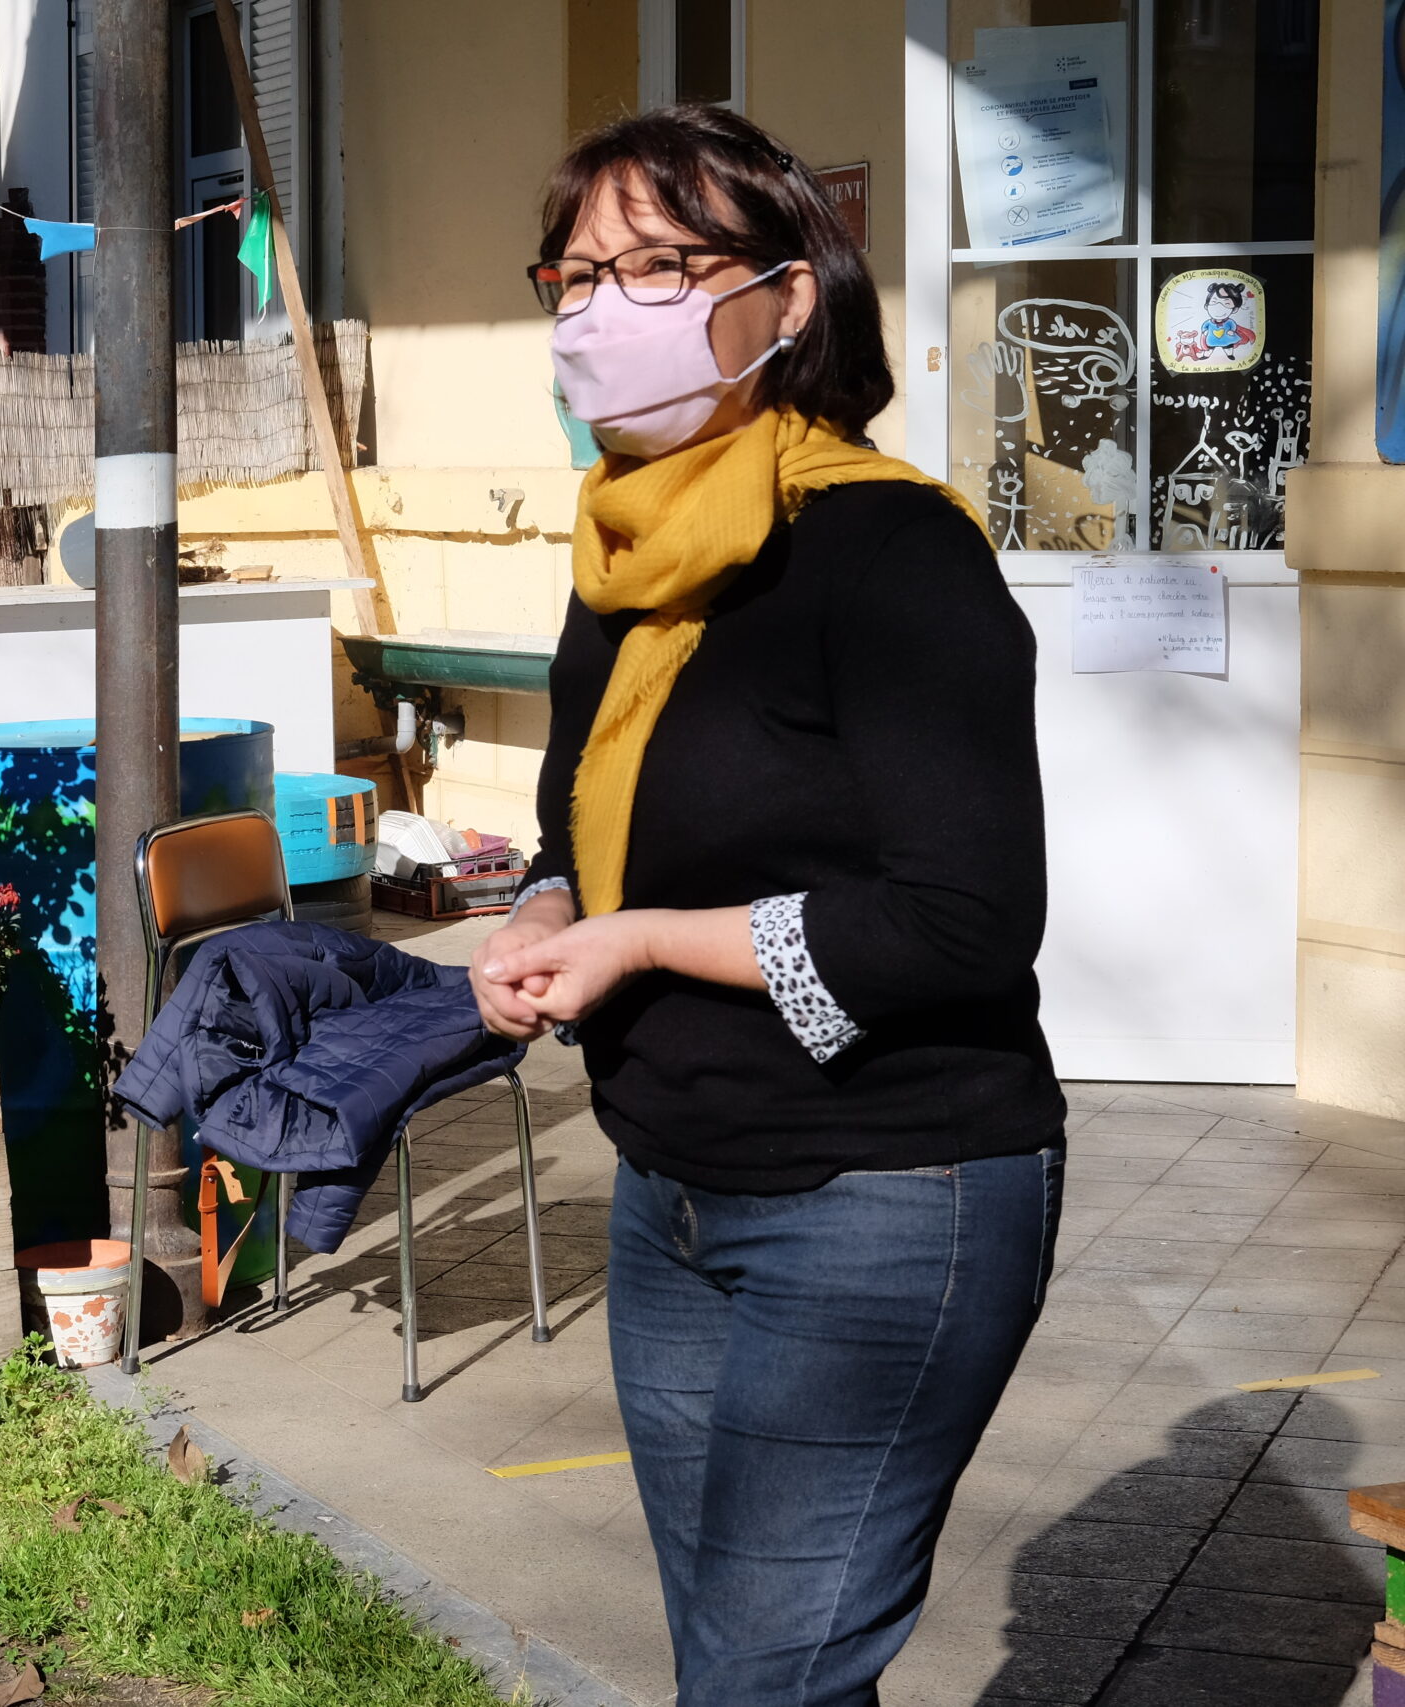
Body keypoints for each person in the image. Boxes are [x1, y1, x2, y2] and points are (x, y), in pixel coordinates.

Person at [472, 104, 1065, 1705]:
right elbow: (575, 837)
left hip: (885, 1194)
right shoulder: (628, 553)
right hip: (670, 1188)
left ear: (790, 297)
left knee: (760, 1680)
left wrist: (648, 943)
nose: (605, 310)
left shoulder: (885, 555)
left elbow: (962, 921)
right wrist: (542, 922)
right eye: (578, 274)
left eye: (660, 266)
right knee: (754, 1665)